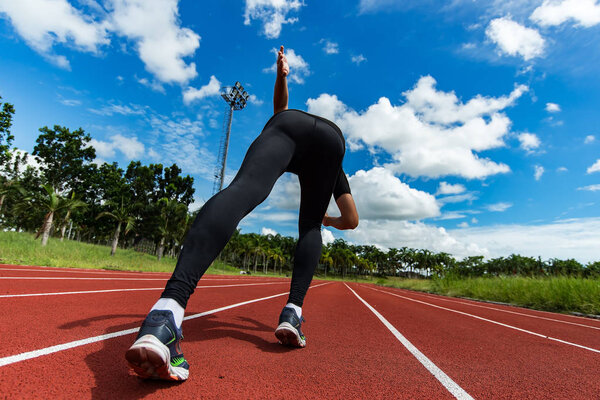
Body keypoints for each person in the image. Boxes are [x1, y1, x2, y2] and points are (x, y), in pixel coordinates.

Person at [125, 45, 359, 381]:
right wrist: (326, 220)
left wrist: (281, 76)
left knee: (243, 190)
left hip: (288, 122)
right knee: (309, 227)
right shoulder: (334, 168)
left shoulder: (288, 127)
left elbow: (281, 109)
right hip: (333, 139)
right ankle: (292, 314)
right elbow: (351, 220)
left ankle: (166, 313)